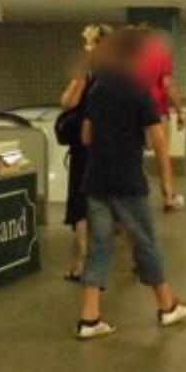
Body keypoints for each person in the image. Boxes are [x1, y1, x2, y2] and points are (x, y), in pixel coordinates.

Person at [76, 28, 186, 339]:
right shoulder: (139, 91)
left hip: (96, 180)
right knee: (145, 242)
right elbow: (159, 142)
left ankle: (89, 318)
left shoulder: (98, 89)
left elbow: (86, 137)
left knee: (99, 247)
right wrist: (167, 185)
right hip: (127, 179)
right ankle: (167, 306)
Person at [57, 24, 112, 283]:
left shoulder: (95, 74)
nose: (86, 48)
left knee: (85, 204)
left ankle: (83, 263)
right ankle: (89, 260)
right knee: (95, 204)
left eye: (90, 42)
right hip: (99, 146)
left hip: (90, 146)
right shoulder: (110, 74)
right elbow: (68, 102)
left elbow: (69, 102)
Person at [134, 26, 186, 211]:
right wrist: (180, 111)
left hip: (132, 109)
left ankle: (134, 197)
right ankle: (168, 196)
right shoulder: (161, 53)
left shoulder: (130, 54)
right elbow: (167, 85)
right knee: (162, 155)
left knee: (133, 153)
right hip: (156, 109)